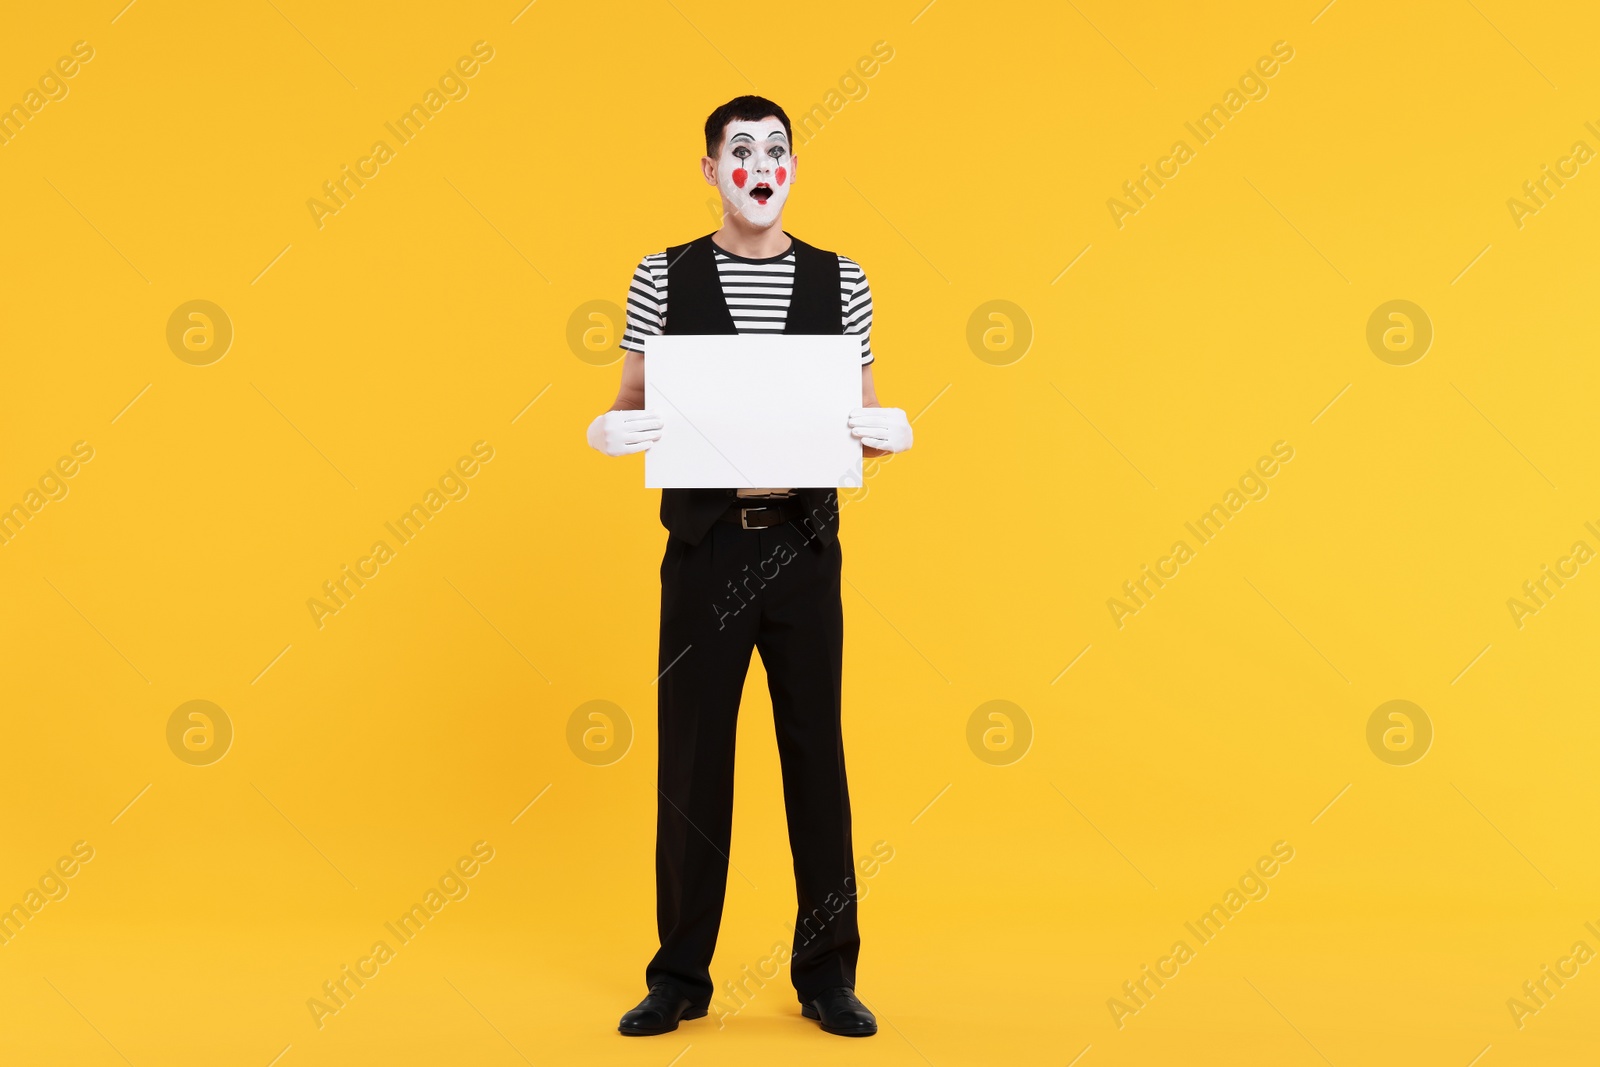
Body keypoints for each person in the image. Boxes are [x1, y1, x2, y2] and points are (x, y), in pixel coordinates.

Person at [585, 95, 914, 1038]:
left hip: (803, 547)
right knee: (694, 759)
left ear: (794, 168)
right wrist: (610, 428)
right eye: (740, 149)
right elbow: (631, 398)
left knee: (816, 755)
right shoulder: (664, 274)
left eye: (776, 149)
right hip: (703, 547)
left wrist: (888, 432)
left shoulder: (840, 279)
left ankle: (828, 975)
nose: (758, 163)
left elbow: (863, 416)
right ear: (709, 169)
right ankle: (681, 974)